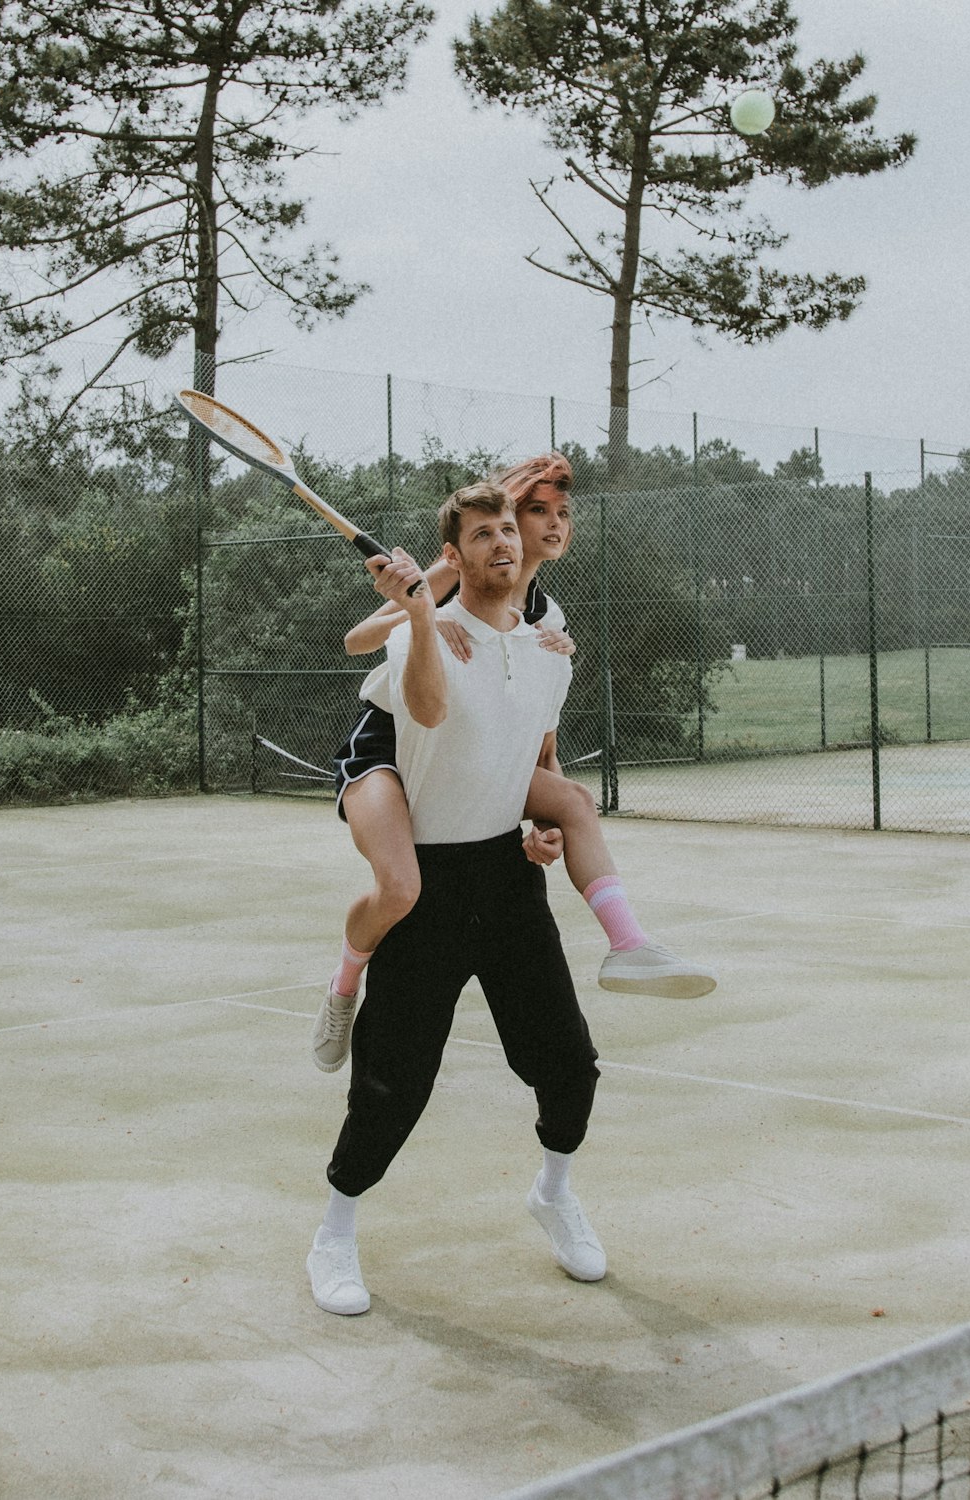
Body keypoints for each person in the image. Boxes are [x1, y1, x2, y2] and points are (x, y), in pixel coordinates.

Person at [312, 454, 716, 1074]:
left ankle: (629, 944)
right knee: (399, 887)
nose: (551, 526)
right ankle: (343, 989)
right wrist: (423, 613)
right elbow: (357, 641)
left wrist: (540, 817)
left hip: (475, 753)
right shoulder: (451, 583)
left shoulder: (546, 618)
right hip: (389, 748)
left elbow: (538, 737)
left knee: (575, 801)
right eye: (534, 512)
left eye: (561, 515)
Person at [307, 482, 605, 1316]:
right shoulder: (421, 637)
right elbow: (431, 711)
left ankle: (553, 1192)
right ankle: (334, 1232)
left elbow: (532, 767)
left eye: (510, 529)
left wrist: (541, 832)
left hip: (508, 882)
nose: (503, 542)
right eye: (482, 534)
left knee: (571, 1066)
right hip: (432, 890)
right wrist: (415, 615)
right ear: (457, 557)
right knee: (392, 1086)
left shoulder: (551, 648)